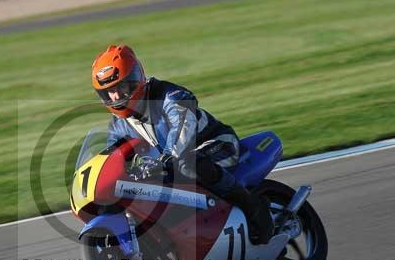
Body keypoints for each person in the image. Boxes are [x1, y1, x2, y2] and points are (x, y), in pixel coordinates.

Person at [93, 44, 273, 245]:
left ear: (134, 80)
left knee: (188, 164)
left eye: (120, 87)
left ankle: (252, 207)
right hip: (171, 163)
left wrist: (170, 155)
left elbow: (183, 124)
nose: (115, 96)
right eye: (108, 92)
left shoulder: (168, 95)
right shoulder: (118, 125)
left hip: (217, 144)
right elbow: (114, 155)